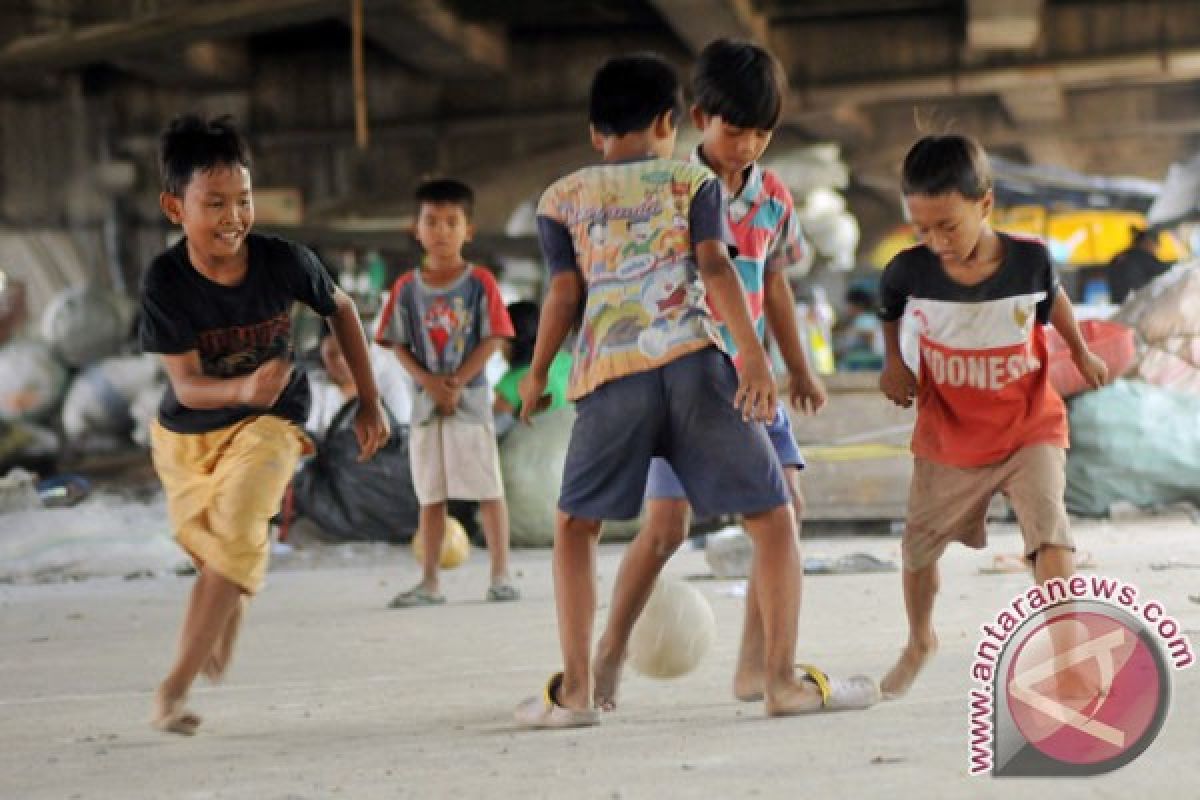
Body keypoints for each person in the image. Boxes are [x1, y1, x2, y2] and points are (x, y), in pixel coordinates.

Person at [513, 53, 875, 729]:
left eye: (761, 134)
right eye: (735, 130)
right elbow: (714, 269)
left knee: (767, 510)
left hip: (653, 376)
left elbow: (567, 291)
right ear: (679, 122)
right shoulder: (688, 180)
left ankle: (601, 687)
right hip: (709, 367)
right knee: (697, 523)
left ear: (596, 132)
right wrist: (755, 364)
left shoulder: (563, 197)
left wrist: (537, 374)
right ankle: (666, 663)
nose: (747, 145)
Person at [139, 114, 389, 734]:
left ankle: (172, 688)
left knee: (240, 530)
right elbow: (186, 386)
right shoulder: (166, 283)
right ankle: (225, 609)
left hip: (274, 421)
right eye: (214, 202)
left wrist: (370, 399)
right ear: (175, 207)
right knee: (214, 550)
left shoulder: (284, 261)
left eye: (243, 200)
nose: (233, 216)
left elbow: (343, 309)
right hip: (189, 436)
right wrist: (241, 386)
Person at [876, 134, 1109, 699]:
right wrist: (894, 364)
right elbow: (889, 315)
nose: (936, 242)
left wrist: (1079, 350)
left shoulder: (1030, 259)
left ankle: (1068, 657)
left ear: (985, 204)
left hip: (1030, 424)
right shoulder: (908, 271)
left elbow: (1052, 301)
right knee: (918, 550)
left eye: (948, 226)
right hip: (948, 433)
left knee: (1050, 534)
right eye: (921, 228)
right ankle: (920, 639)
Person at [374, 179, 519, 608]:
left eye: (451, 222)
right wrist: (430, 382)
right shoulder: (405, 288)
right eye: (431, 222)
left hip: (470, 403)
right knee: (431, 496)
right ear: (414, 228)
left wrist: (455, 382)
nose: (440, 231)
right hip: (425, 408)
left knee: (488, 489)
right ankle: (430, 581)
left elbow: (494, 338)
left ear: (468, 230)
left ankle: (501, 575)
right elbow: (395, 343)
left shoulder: (481, 284)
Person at [493, 300, 571, 432]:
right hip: (572, 445)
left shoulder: (514, 381)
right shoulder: (568, 360)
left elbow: (493, 430)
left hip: (533, 449)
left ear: (510, 342)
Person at [1106, 227, 1171, 304]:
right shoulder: (1142, 257)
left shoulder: (1118, 258)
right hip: (1139, 303)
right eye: (1155, 245)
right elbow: (1166, 273)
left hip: (1119, 304)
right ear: (1146, 242)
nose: (1155, 249)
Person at [834, 285, 885, 371]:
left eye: (848, 304)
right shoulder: (862, 319)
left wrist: (855, 332)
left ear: (858, 305)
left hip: (864, 366)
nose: (846, 308)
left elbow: (871, 335)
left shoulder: (865, 319)